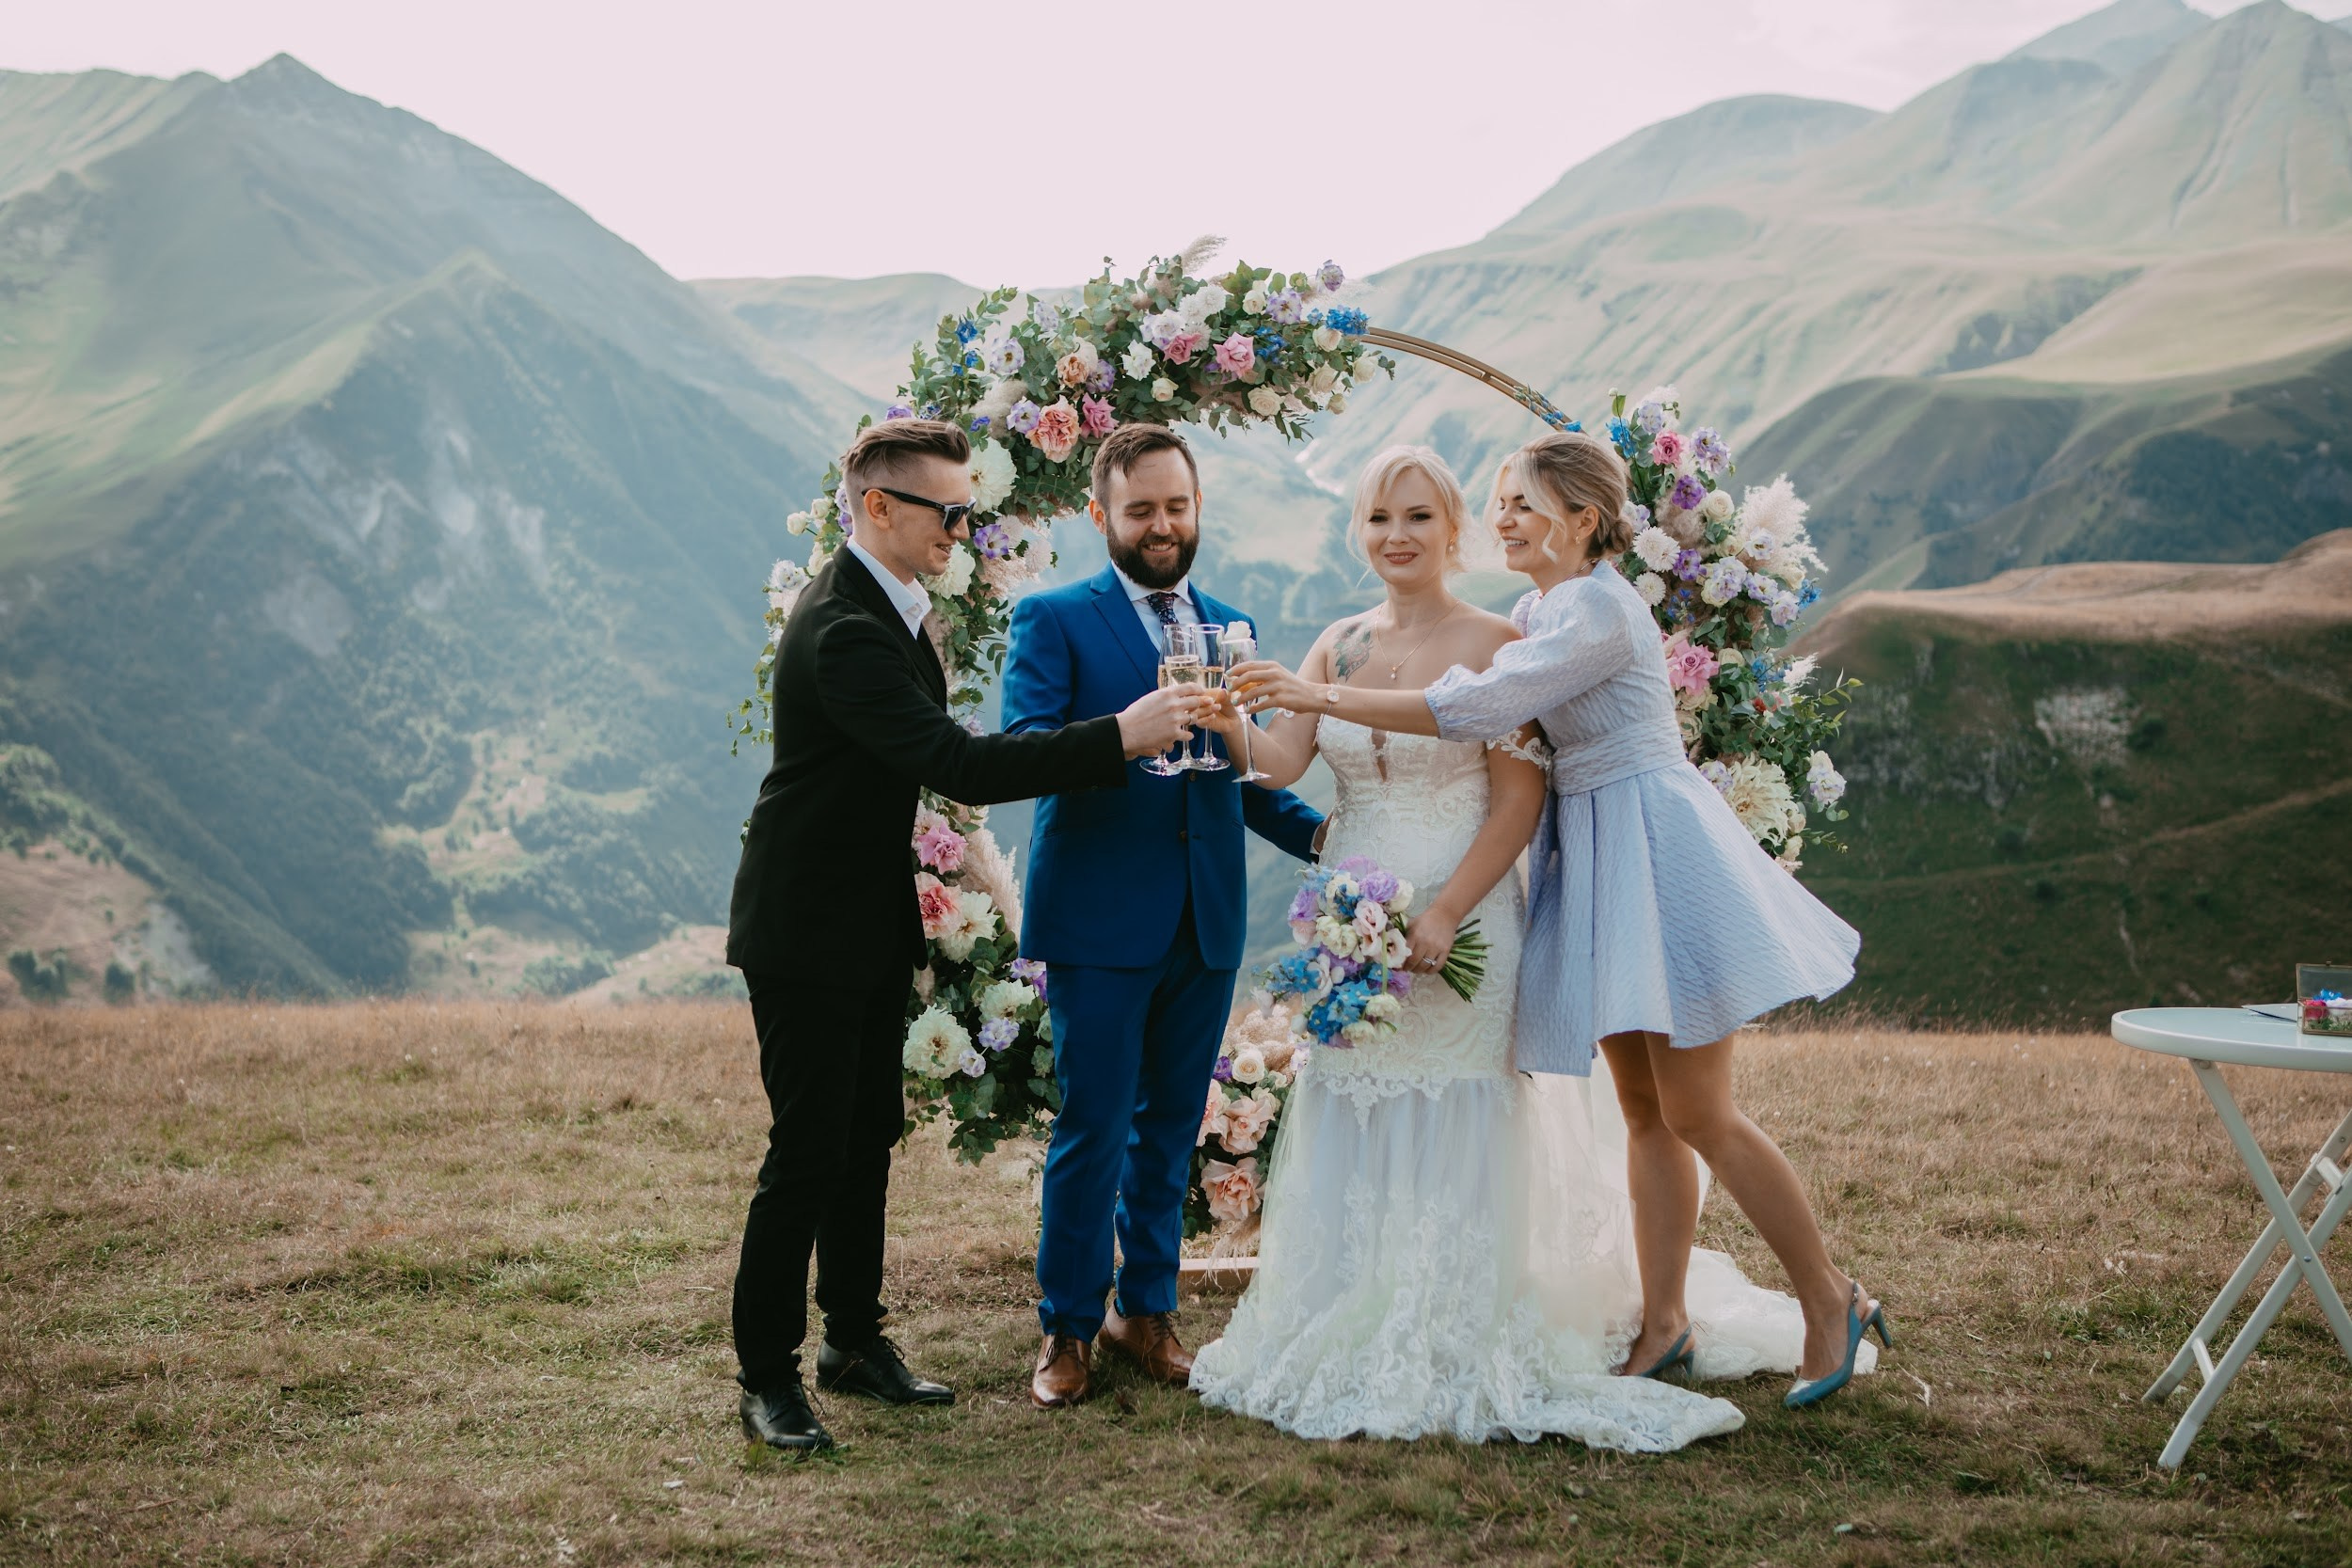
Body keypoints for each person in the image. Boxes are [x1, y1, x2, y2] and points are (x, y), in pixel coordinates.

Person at [1229, 432, 1888, 1412]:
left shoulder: (1589, 607)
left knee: (1699, 1108)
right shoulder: (1541, 605)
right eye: (1497, 501)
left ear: (1582, 519)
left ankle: (1830, 1296)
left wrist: (1318, 690)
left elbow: (1485, 702)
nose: (1504, 518)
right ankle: (1663, 1320)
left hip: (1654, 851)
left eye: (1522, 502)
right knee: (1642, 1111)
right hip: (1598, 855)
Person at [724, 419, 1204, 1451]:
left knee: (864, 1140)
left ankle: (851, 1341)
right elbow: (961, 761)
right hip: (804, 925)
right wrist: (1123, 734)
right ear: (878, 509)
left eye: (968, 509)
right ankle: (766, 1374)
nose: (962, 529)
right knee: (804, 1153)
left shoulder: (894, 607)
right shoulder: (844, 625)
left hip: (861, 918)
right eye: (948, 512)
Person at [1002, 422, 1324, 1409]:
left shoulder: (1230, 623)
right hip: (1098, 916)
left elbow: (1248, 773)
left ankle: (1143, 1310)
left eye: (1176, 506)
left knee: (1171, 1125)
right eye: (1140, 509)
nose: (1161, 525)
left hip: (1205, 915)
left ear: (1197, 509)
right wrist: (1120, 734)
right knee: (1093, 1126)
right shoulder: (1052, 618)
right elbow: (1022, 747)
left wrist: (1323, 841)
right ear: (1101, 513)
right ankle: (1065, 1325)